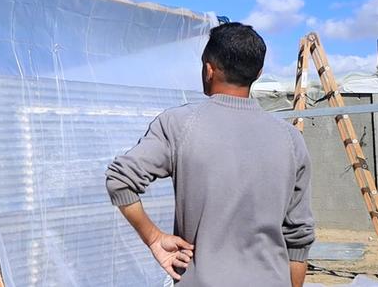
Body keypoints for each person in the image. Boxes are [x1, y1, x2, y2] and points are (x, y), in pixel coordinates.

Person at [105, 22, 315, 286]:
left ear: (208, 68)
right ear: (258, 73)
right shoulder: (291, 139)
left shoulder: (178, 125)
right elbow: (298, 237)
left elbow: (119, 181)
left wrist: (155, 239)